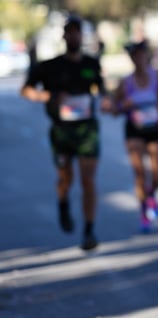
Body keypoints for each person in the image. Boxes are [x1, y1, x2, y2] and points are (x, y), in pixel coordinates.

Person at [20, 15, 107, 251]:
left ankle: (89, 229)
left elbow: (102, 91)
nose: (74, 36)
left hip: (87, 129)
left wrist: (108, 101)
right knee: (65, 177)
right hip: (61, 131)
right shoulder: (50, 66)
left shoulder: (91, 64)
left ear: (82, 36)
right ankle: (63, 201)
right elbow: (26, 90)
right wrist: (47, 96)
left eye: (77, 32)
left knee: (88, 179)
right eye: (70, 32)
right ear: (64, 35)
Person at [110, 40, 158, 233]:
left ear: (147, 56)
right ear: (132, 59)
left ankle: (150, 195)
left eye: (142, 55)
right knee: (140, 173)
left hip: (155, 128)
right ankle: (144, 213)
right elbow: (113, 107)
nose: (139, 59)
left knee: (157, 174)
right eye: (135, 56)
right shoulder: (126, 83)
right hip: (134, 129)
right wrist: (120, 106)